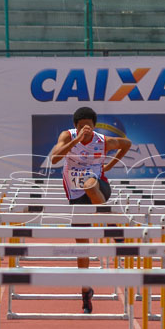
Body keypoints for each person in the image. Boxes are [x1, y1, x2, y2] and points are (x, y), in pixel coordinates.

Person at [50, 106, 131, 313]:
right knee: (82, 246)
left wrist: (111, 164)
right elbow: (54, 158)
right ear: (75, 127)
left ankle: (111, 224)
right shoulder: (67, 136)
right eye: (81, 127)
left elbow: (126, 143)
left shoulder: (102, 141)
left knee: (90, 183)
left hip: (99, 189)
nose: (85, 130)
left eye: (89, 127)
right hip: (76, 196)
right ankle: (85, 292)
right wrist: (76, 141)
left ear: (94, 126)